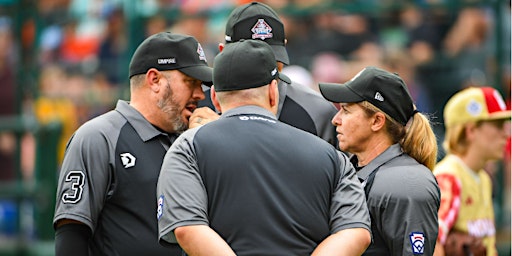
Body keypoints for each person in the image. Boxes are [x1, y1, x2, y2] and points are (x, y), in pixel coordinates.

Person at [157, 39, 372, 256]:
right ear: (273, 91)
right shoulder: (330, 156)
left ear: (215, 97)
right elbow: (355, 232)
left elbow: (188, 228)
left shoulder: (189, 146)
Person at [53, 32, 213, 256]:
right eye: (190, 82)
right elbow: (71, 236)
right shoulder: (99, 137)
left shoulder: (194, 138)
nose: (199, 94)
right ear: (154, 80)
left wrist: (213, 145)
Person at [319, 66, 441, 255]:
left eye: (346, 110)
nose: (336, 119)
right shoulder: (351, 165)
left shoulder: (406, 182)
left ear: (377, 121)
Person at [194, 1, 338, 146]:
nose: (262, 68)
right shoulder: (195, 103)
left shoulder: (317, 111)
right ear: (222, 51)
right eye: (248, 60)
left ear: (285, 48)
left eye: (273, 59)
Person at [433, 86, 510, 256]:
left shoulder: (483, 178)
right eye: (498, 125)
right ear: (471, 130)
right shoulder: (449, 177)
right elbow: (432, 243)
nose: (506, 134)